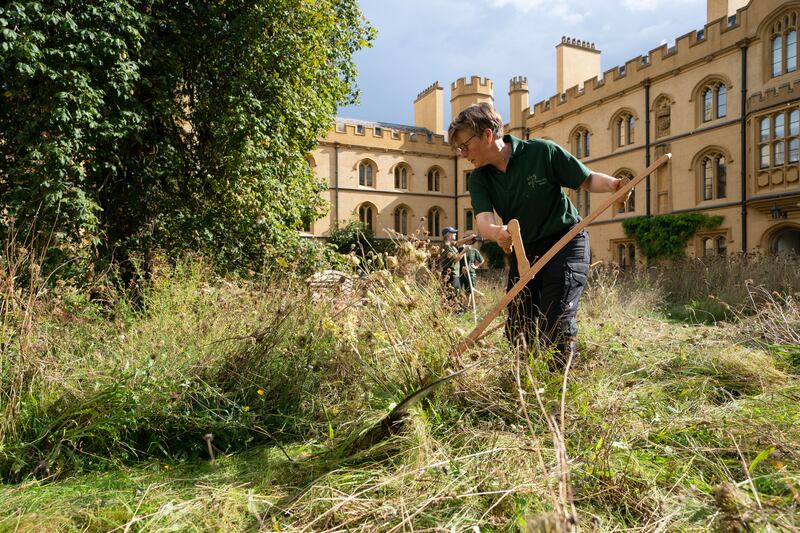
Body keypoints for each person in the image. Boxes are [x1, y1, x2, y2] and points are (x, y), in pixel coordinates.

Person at [448, 102, 630, 370]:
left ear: (487, 135)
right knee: (518, 327)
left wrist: (614, 186)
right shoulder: (479, 178)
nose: (462, 153)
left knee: (556, 319)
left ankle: (558, 389)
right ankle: (523, 385)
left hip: (566, 242)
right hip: (526, 251)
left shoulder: (542, 152)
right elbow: (484, 221)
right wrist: (498, 232)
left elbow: (587, 180)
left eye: (465, 145)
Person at [439, 226, 464, 295]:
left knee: (456, 294)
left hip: (455, 274)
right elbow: (455, 260)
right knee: (453, 295)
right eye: (453, 233)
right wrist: (464, 251)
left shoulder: (450, 244)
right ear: (448, 235)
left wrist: (471, 238)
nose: (455, 234)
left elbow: (458, 242)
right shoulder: (446, 246)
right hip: (451, 275)